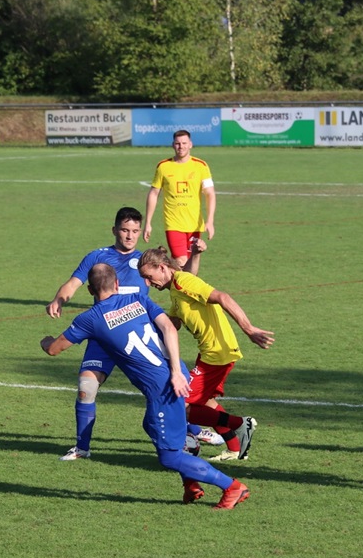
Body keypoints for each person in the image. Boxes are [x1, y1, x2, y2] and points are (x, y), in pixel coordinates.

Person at [42, 263, 251, 509]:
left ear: (90, 290)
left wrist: (45, 341)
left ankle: (232, 486)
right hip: (178, 375)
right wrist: (176, 370)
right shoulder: (139, 299)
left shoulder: (90, 319)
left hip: (163, 389)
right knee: (150, 425)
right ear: (117, 284)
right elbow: (168, 328)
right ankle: (191, 484)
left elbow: (54, 349)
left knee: (169, 456)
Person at [46, 207, 218, 460]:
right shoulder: (97, 257)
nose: (129, 236)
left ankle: (192, 430)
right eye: (125, 230)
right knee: (86, 387)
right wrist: (58, 300)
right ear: (114, 230)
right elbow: (73, 283)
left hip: (139, 337)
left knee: (167, 385)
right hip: (103, 336)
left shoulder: (145, 263)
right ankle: (82, 448)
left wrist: (195, 254)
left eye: (135, 231)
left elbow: (182, 278)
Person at [138, 247, 273, 461]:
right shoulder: (175, 289)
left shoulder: (183, 281)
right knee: (206, 402)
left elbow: (222, 297)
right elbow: (173, 323)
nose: (148, 283)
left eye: (148, 276)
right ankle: (235, 448)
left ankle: (240, 424)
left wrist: (249, 328)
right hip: (209, 353)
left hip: (217, 354)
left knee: (181, 404)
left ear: (162, 267)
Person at [143, 130, 215, 275]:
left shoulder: (201, 166)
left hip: (195, 224)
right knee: (182, 262)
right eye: (177, 143)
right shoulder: (163, 166)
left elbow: (210, 193)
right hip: (173, 223)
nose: (181, 146)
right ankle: (180, 290)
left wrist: (210, 221)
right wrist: (148, 223)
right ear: (173, 145)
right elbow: (154, 193)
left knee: (191, 264)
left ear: (190, 145)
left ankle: (170, 272)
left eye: (184, 143)